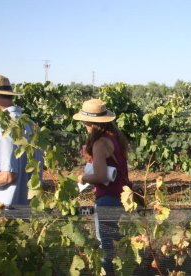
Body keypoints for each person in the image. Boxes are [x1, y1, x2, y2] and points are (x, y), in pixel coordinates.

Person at [73, 98, 129, 274]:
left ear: (89, 122)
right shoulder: (114, 138)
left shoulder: (99, 144)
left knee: (105, 245)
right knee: (114, 240)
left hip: (107, 198)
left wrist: (83, 177)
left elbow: (100, 175)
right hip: (121, 196)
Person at [0, 73, 43, 207]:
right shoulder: (32, 125)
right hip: (27, 212)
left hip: (3, 214)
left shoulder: (3, 126)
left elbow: (7, 176)